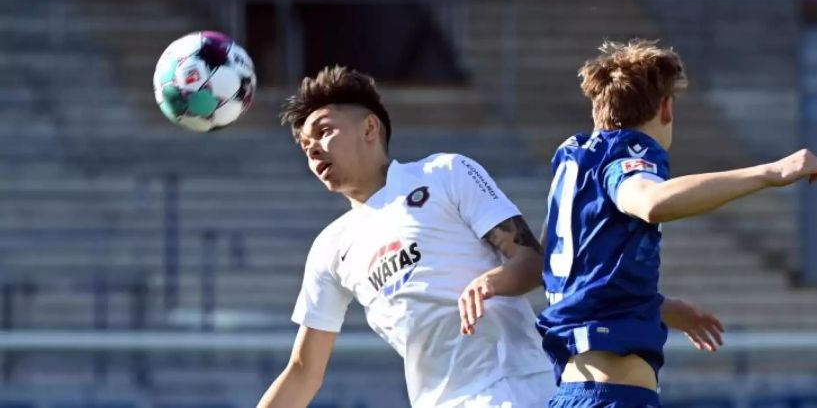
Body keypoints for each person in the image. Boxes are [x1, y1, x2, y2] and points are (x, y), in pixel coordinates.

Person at [257, 66, 725, 408]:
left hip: (516, 386)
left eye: (323, 131)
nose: (314, 148)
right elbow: (304, 370)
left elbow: (532, 262)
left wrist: (492, 282)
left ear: (370, 128)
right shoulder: (330, 249)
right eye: (305, 145)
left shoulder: (445, 174)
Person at [532, 40, 817, 408]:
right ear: (666, 108)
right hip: (613, 397)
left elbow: (576, 273)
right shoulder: (630, 151)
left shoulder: (577, 163)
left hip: (577, 392)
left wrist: (658, 306)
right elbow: (649, 201)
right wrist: (770, 172)